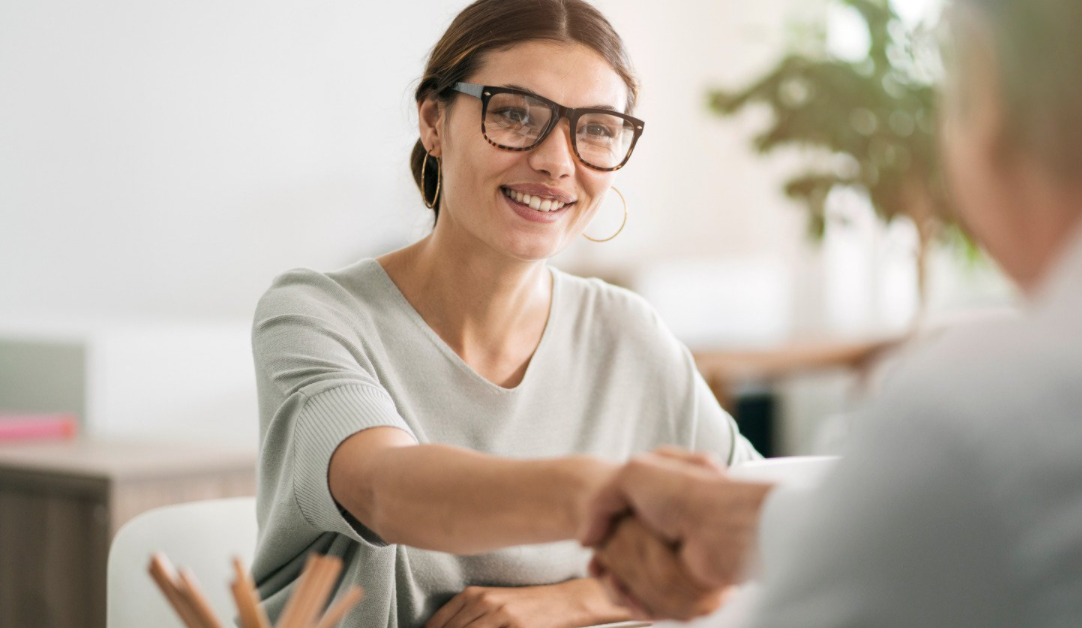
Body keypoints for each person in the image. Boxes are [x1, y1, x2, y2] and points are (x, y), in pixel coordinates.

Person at [582, 0, 1082, 625]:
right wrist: (757, 524)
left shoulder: (981, 420)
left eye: (597, 128)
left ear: (983, 95)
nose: (558, 161)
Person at [248, 1, 760, 626]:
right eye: (516, 114)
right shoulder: (315, 314)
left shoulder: (627, 333)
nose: (557, 161)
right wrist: (606, 495)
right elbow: (386, 488)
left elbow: (749, 532)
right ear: (434, 121)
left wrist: (580, 598)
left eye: (596, 128)